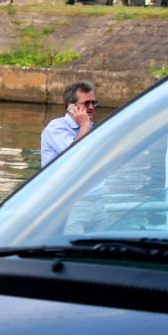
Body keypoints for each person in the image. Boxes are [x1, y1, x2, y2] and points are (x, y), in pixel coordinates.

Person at [41, 81, 106, 234]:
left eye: (93, 103)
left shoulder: (93, 128)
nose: (91, 107)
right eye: (86, 103)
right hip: (69, 205)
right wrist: (84, 126)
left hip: (97, 202)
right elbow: (73, 155)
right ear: (71, 106)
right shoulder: (56, 127)